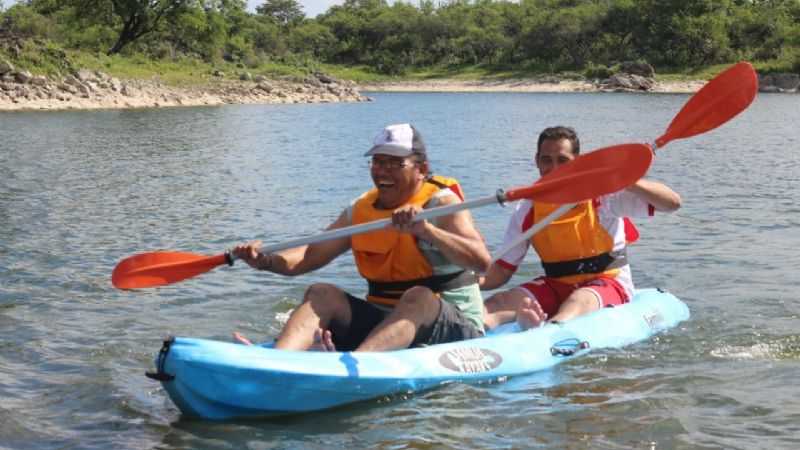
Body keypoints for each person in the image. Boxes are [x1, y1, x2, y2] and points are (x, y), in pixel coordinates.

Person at [232, 123, 491, 352]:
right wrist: (266, 260)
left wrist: (427, 230)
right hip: (383, 323)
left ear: (422, 169)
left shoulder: (442, 204)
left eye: (395, 163)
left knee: (419, 296)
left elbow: (481, 261)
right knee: (321, 292)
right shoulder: (360, 210)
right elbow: (309, 256)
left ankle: (356, 367)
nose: (383, 171)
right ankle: (279, 361)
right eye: (378, 162)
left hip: (452, 327)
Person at [480, 126, 681, 330]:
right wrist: (462, 282)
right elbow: (501, 270)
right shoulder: (527, 207)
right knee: (497, 303)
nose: (554, 169)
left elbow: (672, 203)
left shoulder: (603, 195)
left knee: (578, 301)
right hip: (556, 285)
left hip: (607, 281)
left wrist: (627, 181)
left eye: (563, 160)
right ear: (537, 161)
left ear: (578, 161)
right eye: (546, 160)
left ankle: (546, 330)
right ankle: (465, 335)